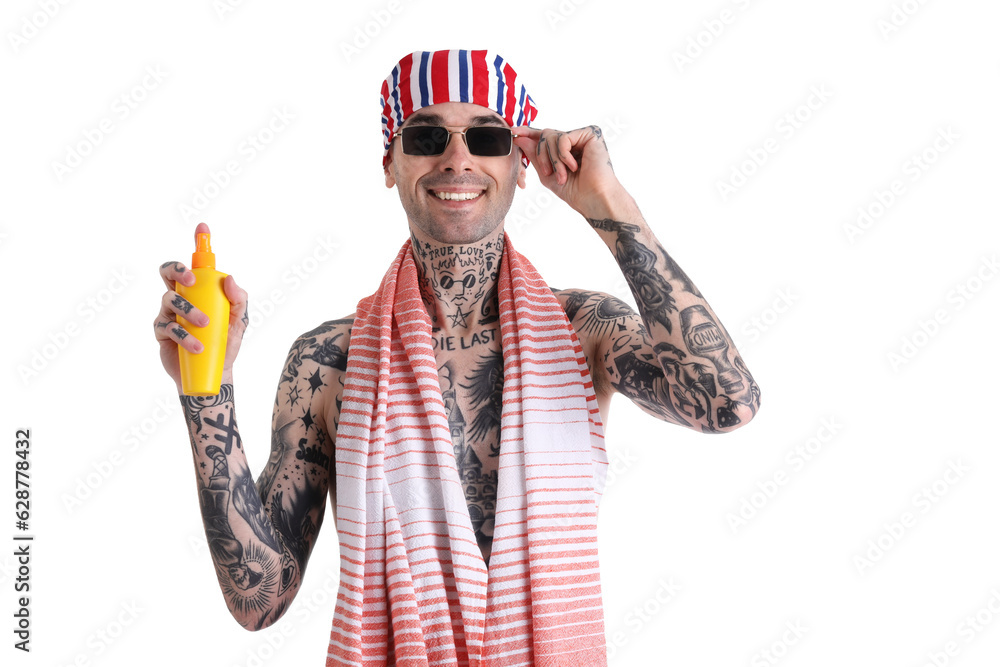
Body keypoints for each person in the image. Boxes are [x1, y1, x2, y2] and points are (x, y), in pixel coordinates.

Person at [153, 49, 760, 666]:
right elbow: (262, 597)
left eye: (487, 135)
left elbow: (726, 403)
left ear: (521, 164)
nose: (457, 157)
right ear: (390, 163)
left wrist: (608, 202)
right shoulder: (327, 362)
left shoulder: (585, 330)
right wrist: (208, 392)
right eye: (425, 135)